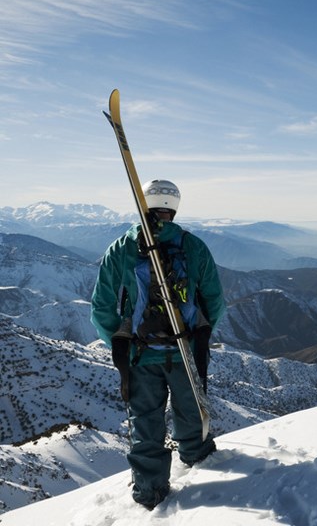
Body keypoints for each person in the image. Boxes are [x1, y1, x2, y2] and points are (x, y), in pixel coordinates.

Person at [90, 179, 226, 509]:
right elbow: (214, 300)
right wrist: (197, 338)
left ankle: (149, 491)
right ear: (174, 207)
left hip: (141, 355)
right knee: (192, 412)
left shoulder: (122, 247)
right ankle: (198, 461)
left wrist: (123, 343)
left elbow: (101, 307)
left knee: (146, 423)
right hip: (184, 350)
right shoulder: (192, 246)